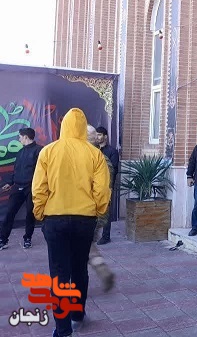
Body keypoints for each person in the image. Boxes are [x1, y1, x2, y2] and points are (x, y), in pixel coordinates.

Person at [32, 108, 110, 337]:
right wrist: (97, 211)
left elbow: (39, 188)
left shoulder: (48, 151)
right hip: (84, 220)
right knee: (79, 270)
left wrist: (40, 214)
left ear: (63, 126)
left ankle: (63, 330)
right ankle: (77, 316)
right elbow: (102, 190)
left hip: (54, 220)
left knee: (59, 275)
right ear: (83, 127)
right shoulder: (95, 154)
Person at [0, 128, 43, 250]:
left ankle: (27, 238)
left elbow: (42, 171)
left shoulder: (39, 151)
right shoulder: (20, 152)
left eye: (20, 137)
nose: (19, 139)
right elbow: (16, 170)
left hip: (31, 187)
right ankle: (3, 240)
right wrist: (10, 182)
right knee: (10, 212)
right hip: (18, 186)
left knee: (30, 213)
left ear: (25, 137)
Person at [87, 125, 116, 293]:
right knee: (88, 245)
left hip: (88, 212)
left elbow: (102, 189)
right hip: (97, 212)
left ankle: (75, 284)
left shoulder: (92, 160)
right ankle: (103, 270)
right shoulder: (103, 159)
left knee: (80, 248)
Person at [95, 126, 119, 245]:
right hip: (94, 185)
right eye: (96, 134)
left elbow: (113, 169)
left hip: (107, 186)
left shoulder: (112, 151)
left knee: (106, 211)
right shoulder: (94, 150)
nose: (97, 137)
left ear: (105, 137)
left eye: (99, 135)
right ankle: (93, 235)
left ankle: (106, 236)